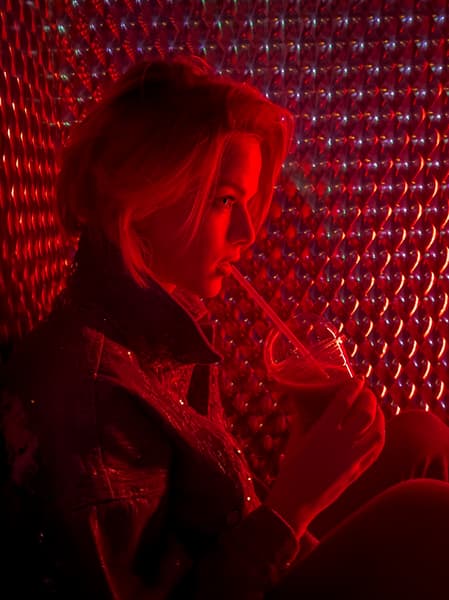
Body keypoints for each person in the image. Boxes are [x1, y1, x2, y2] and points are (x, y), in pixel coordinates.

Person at [1, 55, 449, 600]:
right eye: (225, 200)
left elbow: (212, 519)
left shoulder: (168, 325)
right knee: (428, 516)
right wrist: (292, 507)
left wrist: (304, 471)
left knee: (420, 438)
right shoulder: (94, 397)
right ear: (140, 194)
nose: (247, 231)